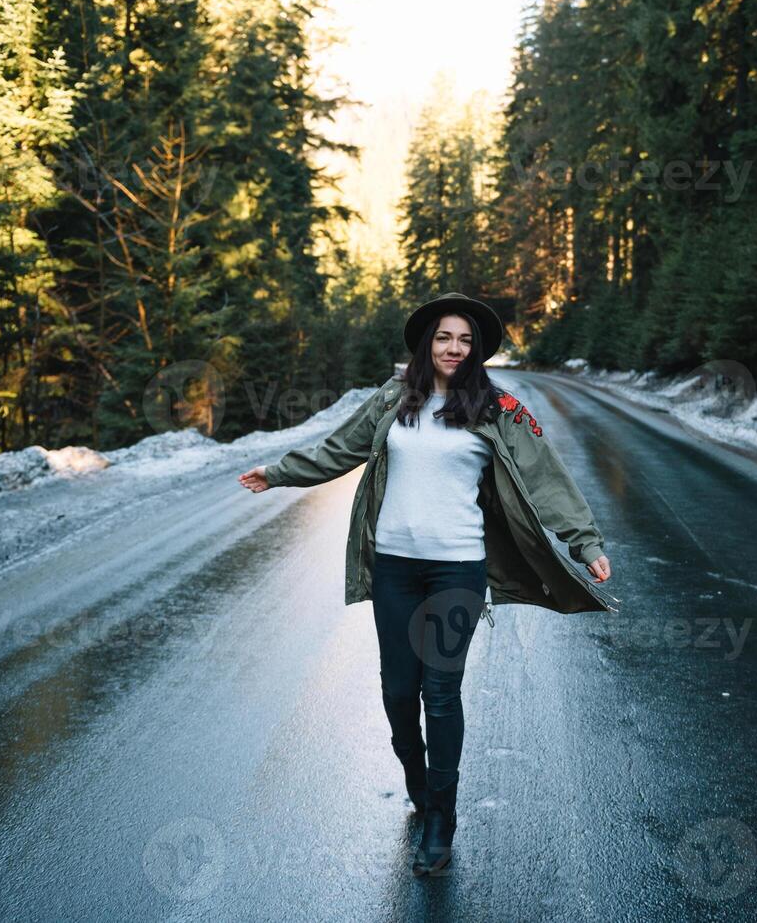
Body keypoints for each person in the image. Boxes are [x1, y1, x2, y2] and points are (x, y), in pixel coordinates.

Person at [238, 292, 615, 877]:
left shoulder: (500, 409)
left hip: (457, 570)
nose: (454, 349)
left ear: (478, 351)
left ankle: (442, 817)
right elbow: (340, 449)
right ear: (426, 343)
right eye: (444, 338)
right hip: (394, 567)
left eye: (466, 341)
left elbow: (546, 477)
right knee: (397, 693)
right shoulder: (395, 399)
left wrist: (583, 541)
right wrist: (280, 472)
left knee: (440, 694)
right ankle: (419, 783)